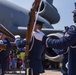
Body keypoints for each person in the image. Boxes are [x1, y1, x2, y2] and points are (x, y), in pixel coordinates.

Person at [33, 3, 76, 75]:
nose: (73, 16)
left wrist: (44, 39)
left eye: (74, 14)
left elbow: (61, 45)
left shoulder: (74, 29)